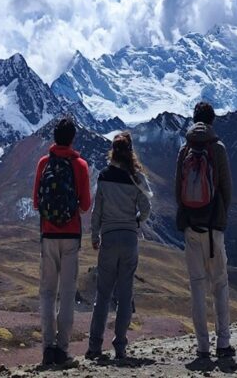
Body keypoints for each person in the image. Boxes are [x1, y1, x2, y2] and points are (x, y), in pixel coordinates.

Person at [175, 101, 235, 359]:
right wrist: (220, 214)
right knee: (219, 285)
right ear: (212, 121)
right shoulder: (218, 148)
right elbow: (226, 188)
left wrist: (189, 214)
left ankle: (202, 347)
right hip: (214, 229)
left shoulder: (184, 149)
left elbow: (178, 190)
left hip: (191, 227)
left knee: (197, 287)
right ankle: (223, 343)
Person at [86, 131, 152, 360]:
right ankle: (120, 346)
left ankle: (94, 346)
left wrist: (95, 235)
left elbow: (97, 211)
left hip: (109, 238)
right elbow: (146, 208)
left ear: (113, 152)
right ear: (130, 152)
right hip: (129, 239)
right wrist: (136, 221)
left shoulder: (103, 176)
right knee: (125, 295)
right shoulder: (137, 177)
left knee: (103, 294)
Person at [32, 117, 91, 366]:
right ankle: (63, 350)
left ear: (54, 137)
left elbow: (36, 202)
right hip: (71, 236)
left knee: (47, 292)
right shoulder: (80, 165)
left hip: (48, 235)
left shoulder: (44, 163)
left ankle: (47, 349)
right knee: (67, 293)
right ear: (73, 138)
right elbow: (86, 205)